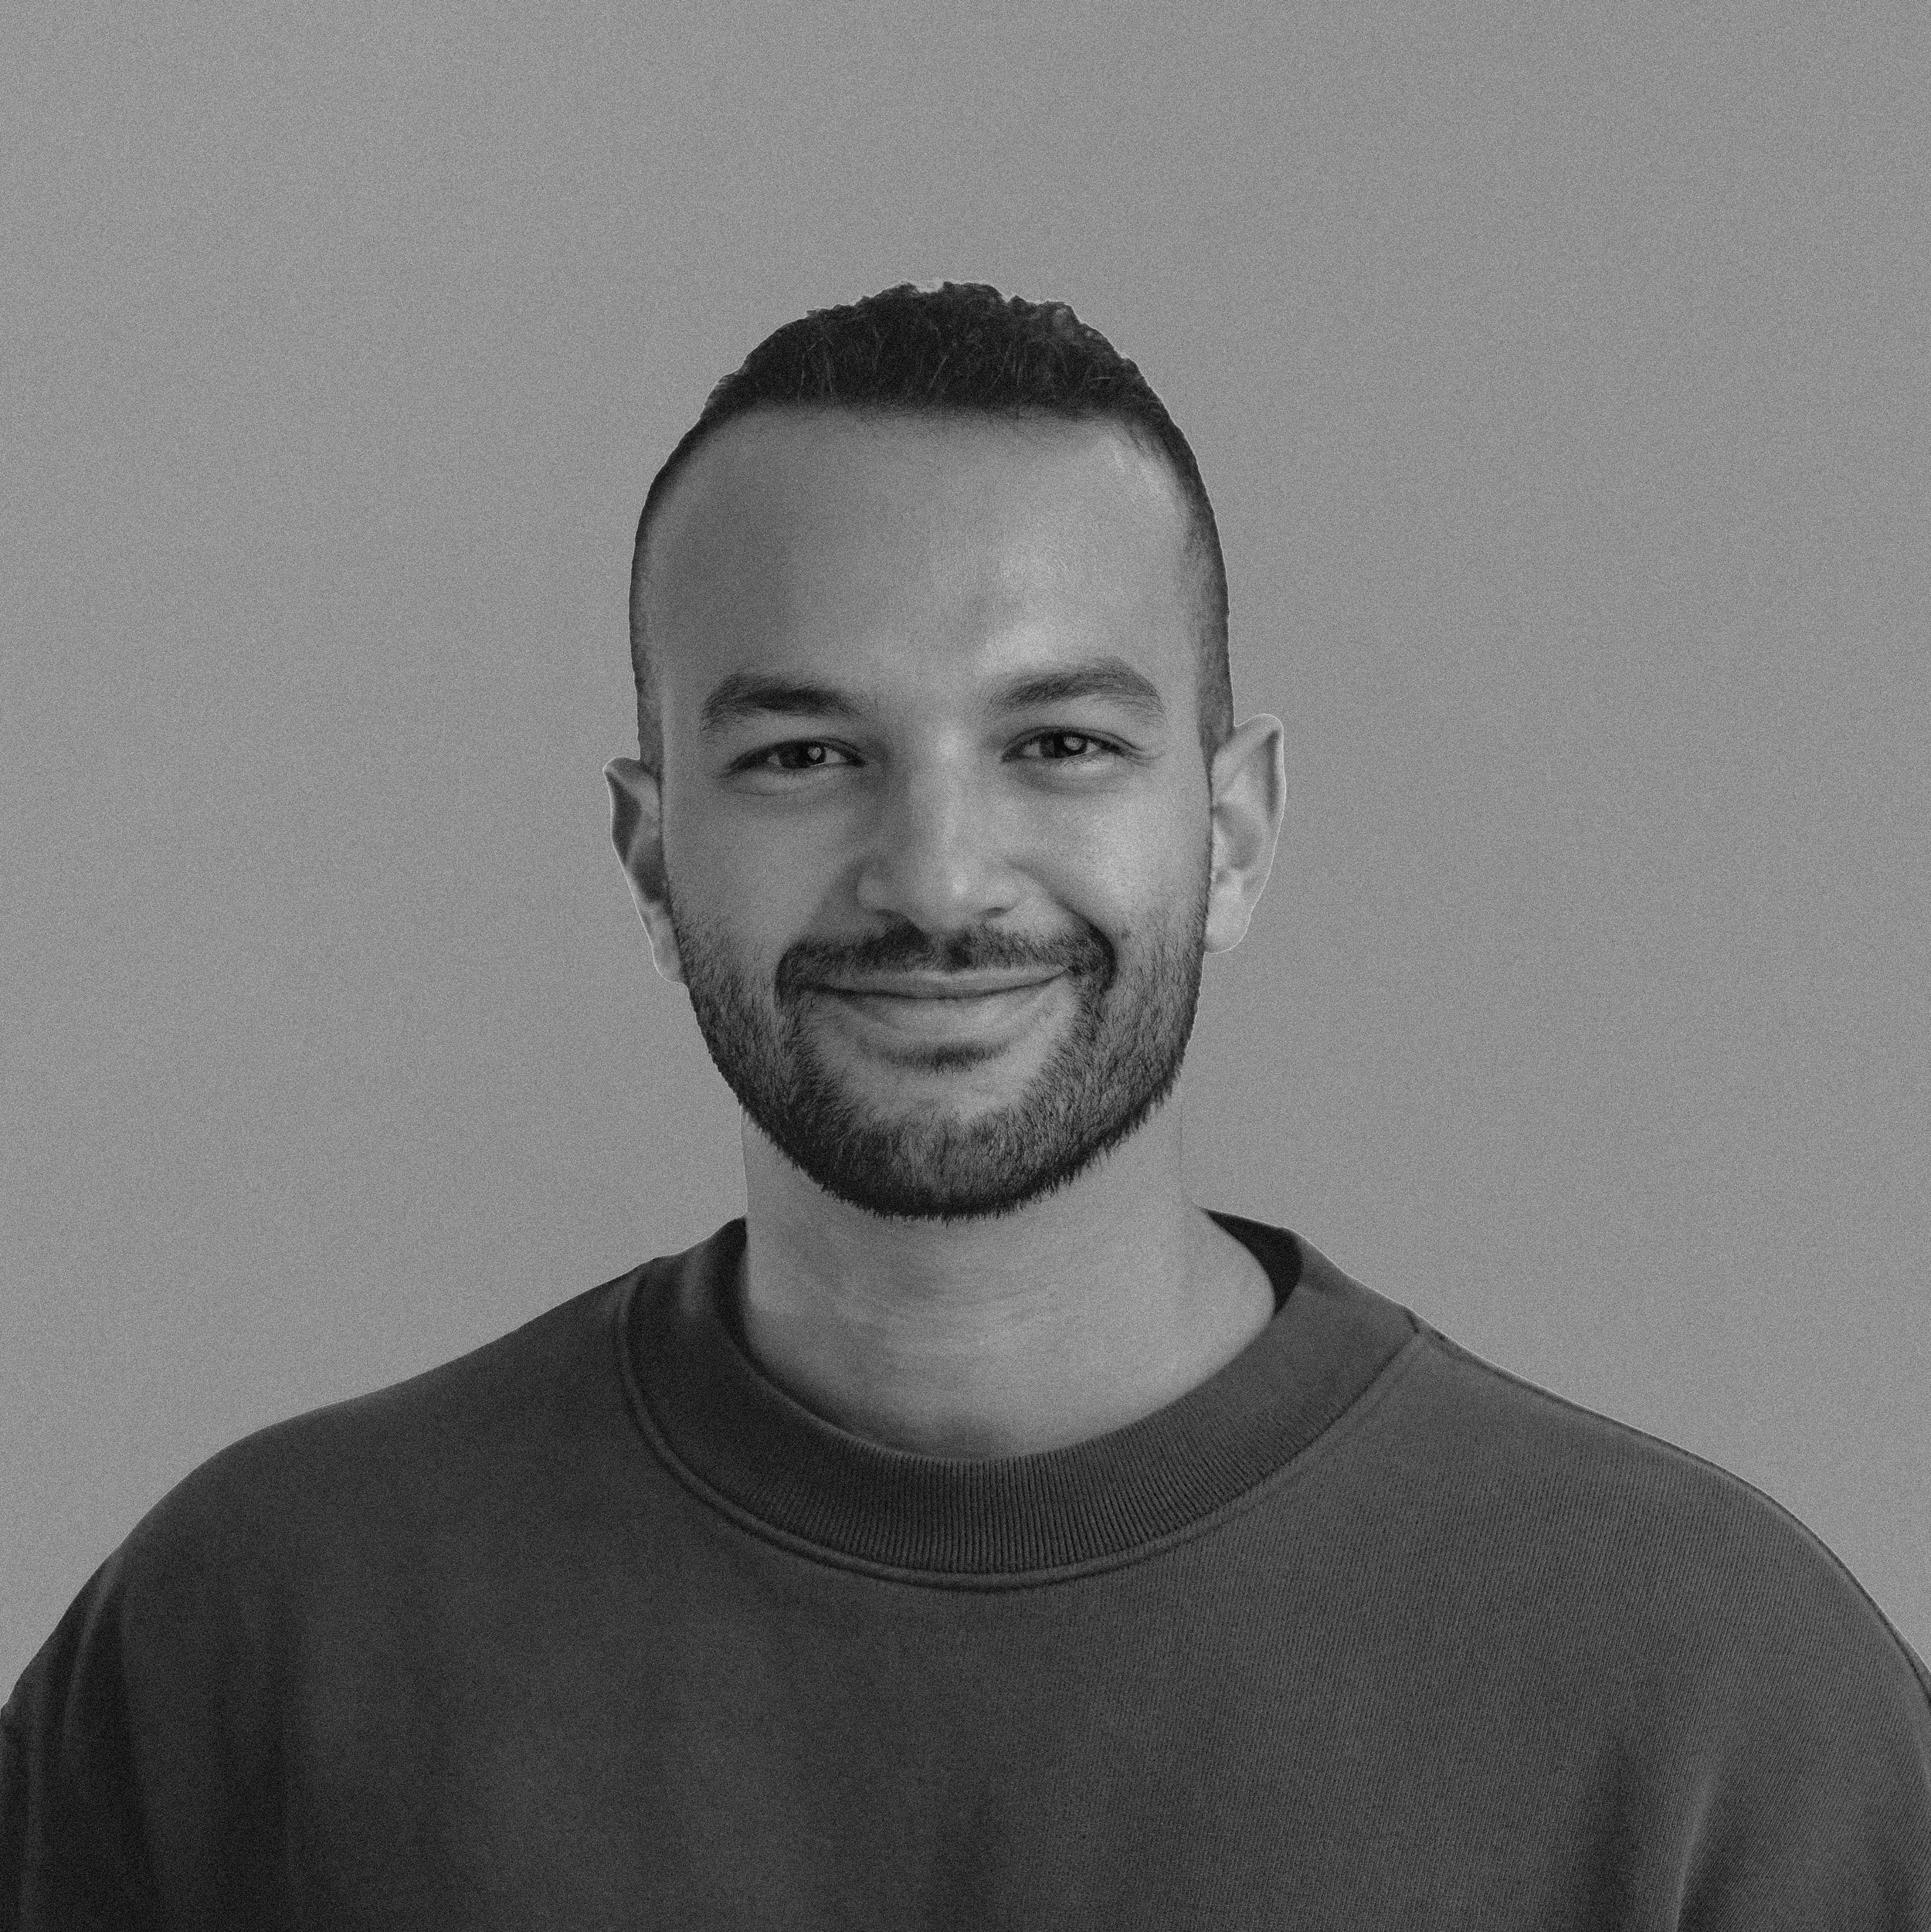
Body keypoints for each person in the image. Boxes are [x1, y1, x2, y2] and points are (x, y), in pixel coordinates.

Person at [4, 282, 1926, 1928]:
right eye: (804, 750)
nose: (935, 876)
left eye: (1060, 742)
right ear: (647, 841)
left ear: (1231, 827)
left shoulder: (1705, 1695)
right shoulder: (255, 1639)